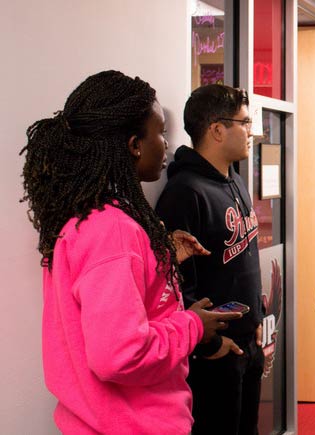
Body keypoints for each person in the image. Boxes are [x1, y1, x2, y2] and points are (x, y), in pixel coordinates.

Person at [20, 70, 240, 434]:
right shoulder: (113, 230)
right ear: (135, 144)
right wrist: (193, 326)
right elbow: (120, 355)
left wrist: (160, 258)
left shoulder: (88, 219)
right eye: (161, 132)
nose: (167, 145)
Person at [155, 84, 265, 435]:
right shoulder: (184, 192)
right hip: (213, 352)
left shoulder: (235, 180)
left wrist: (257, 318)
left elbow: (243, 260)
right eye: (245, 123)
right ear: (217, 129)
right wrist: (211, 343)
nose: (252, 132)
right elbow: (175, 282)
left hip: (247, 342)